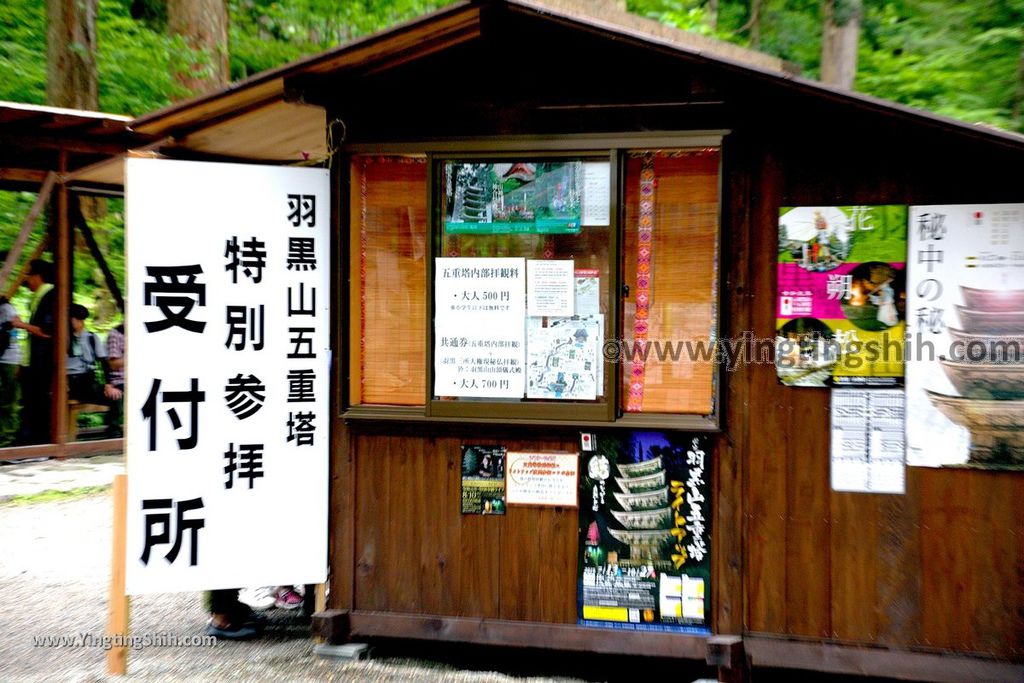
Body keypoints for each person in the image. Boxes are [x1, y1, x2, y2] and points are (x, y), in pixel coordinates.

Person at [17, 259, 56, 445]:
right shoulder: (40, 297)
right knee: (31, 403)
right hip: (34, 361)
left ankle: (36, 444)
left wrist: (20, 324)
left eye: (28, 275)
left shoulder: (49, 296)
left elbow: (47, 331)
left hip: (42, 363)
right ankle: (31, 444)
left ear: (37, 277)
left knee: (36, 404)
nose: (26, 280)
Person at [0, 295, 23, 446]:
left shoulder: (7, 309)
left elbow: (13, 332)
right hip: (5, 359)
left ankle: (8, 439)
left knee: (9, 401)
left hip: (8, 359)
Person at [104, 323, 124, 438]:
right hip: (119, 380)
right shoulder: (115, 334)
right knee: (117, 395)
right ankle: (114, 433)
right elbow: (113, 364)